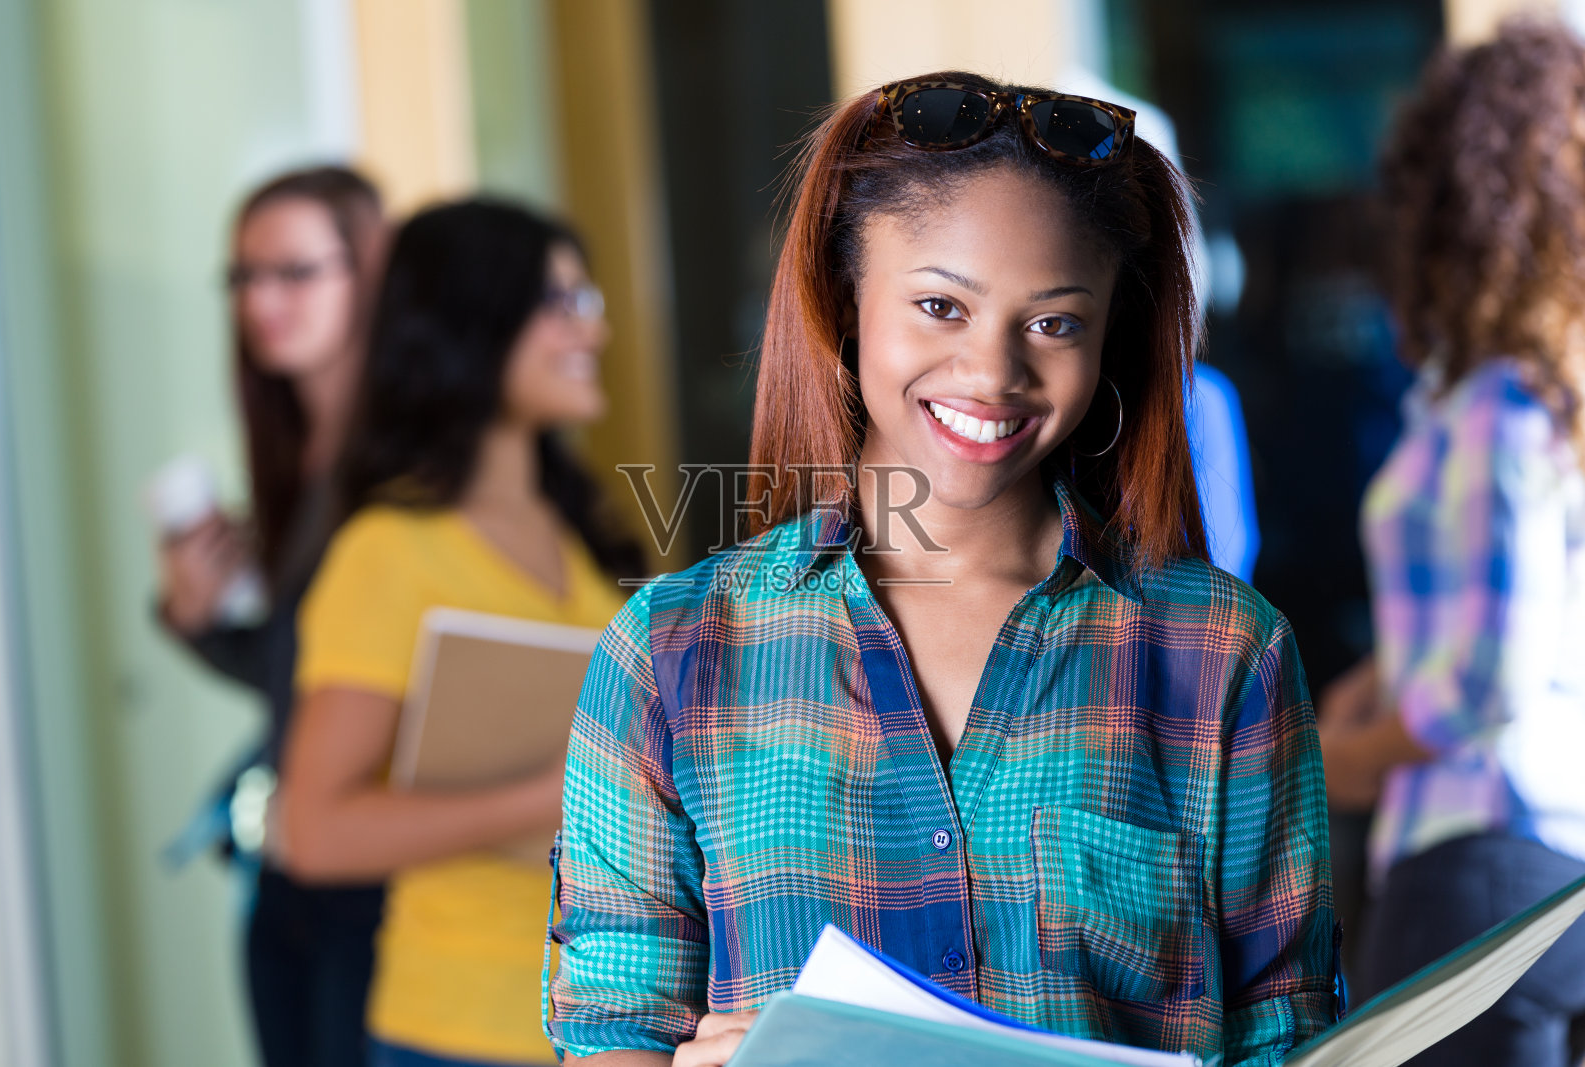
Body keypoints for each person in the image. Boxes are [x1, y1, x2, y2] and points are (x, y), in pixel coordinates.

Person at [550, 72, 1338, 1067]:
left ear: (1107, 340)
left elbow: (1286, 1028)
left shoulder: (1221, 650)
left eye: (1054, 322)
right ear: (844, 303)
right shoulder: (671, 649)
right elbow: (616, 1021)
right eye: (939, 306)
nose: (992, 372)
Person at [277, 198, 643, 1067]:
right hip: (460, 1030)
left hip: (607, 1020)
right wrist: (559, 794)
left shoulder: (576, 534)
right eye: (563, 303)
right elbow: (313, 830)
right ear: (475, 324)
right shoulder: (388, 554)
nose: (595, 328)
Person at [1318, 20, 1585, 1066]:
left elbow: (1483, 683)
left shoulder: (1496, 409)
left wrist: (1336, 756)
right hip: (1550, 866)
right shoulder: (1553, 414)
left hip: (1472, 882)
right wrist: (1376, 672)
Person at [155, 165, 387, 1067]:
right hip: (290, 866)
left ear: (369, 271)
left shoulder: (400, 468)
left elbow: (356, 680)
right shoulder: (298, 456)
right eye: (245, 276)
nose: (262, 300)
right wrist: (197, 611)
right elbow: (310, 673)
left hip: (370, 870)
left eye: (295, 271)